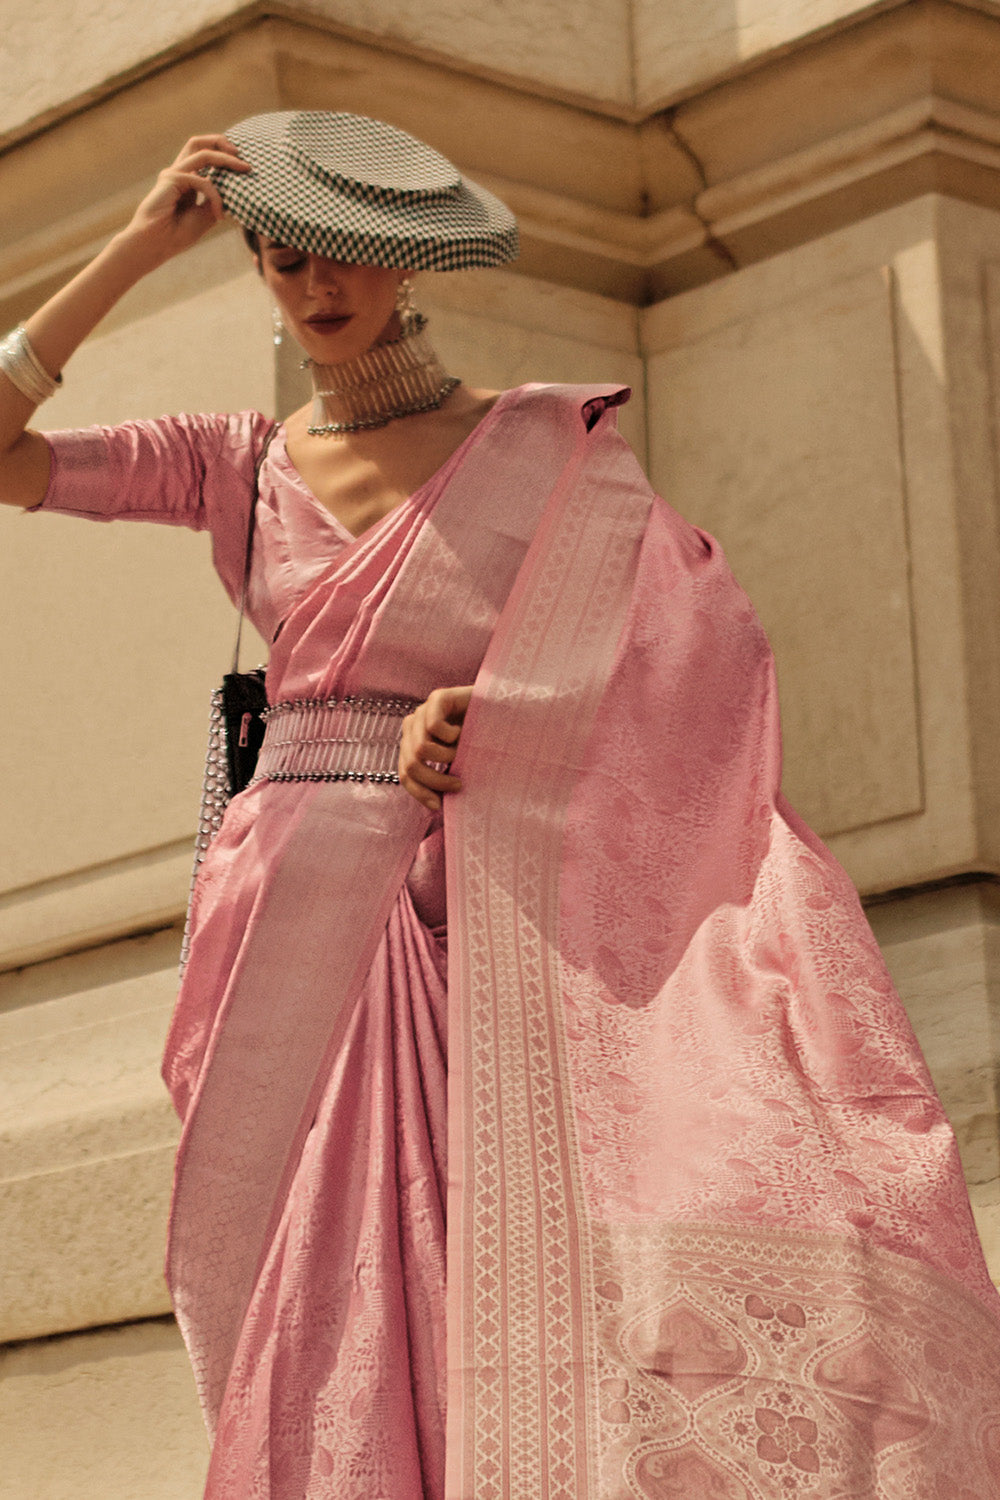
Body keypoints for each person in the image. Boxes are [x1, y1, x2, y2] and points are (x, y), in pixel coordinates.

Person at [2, 109, 999, 1500]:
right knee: (282, 1295)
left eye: (344, 257)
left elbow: (679, 662)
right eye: (284, 261)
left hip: (471, 921)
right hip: (282, 931)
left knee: (473, 1277)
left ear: (405, 260)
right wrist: (130, 245)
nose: (317, 289)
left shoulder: (542, 452)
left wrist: (496, 727)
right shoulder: (239, 464)